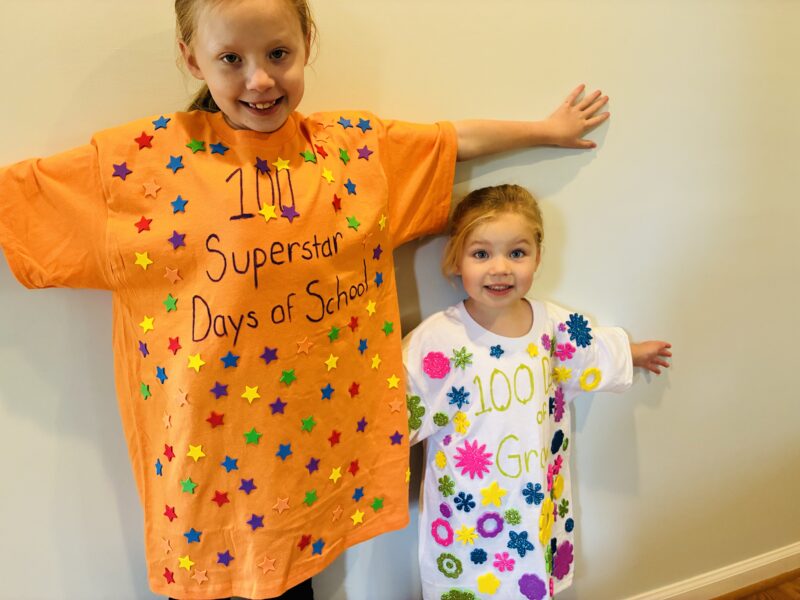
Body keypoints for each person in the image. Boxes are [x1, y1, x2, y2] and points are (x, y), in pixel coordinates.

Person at [0, 0, 611, 598]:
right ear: (191, 59)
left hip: (309, 462)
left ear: (306, 46)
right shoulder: (140, 166)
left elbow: (446, 141)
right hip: (210, 468)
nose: (260, 79)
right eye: (231, 58)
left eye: (278, 53)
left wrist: (546, 131)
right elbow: (19, 201)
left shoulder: (348, 153)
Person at [403, 184, 672, 600]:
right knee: (468, 588)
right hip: (467, 514)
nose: (500, 269)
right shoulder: (437, 341)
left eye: (516, 252)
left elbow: (590, 351)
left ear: (538, 256)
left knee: (531, 582)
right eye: (481, 253)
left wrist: (632, 354)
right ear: (457, 258)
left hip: (536, 502)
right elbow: (395, 408)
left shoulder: (553, 326)